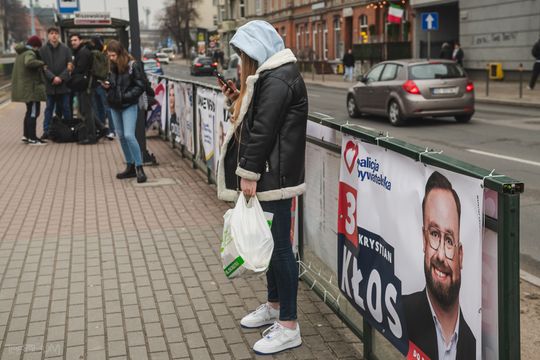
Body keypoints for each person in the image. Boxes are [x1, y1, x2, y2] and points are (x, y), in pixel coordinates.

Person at [216, 20, 308, 355]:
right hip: (272, 174)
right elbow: (259, 122)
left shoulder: (279, 77)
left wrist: (249, 172)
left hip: (274, 177)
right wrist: (239, 98)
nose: (241, 61)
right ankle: (274, 306)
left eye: (243, 55)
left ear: (255, 52)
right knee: (273, 246)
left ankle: (289, 325)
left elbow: (264, 130)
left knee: (280, 248)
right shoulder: (272, 76)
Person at [403, 171, 476, 360]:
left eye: (450, 240)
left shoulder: (476, 347)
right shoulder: (398, 314)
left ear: (460, 255)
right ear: (424, 240)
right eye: (434, 234)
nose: (441, 255)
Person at [102, 40, 147, 183]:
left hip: (128, 104)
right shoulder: (112, 66)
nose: (111, 58)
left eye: (113, 55)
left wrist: (125, 96)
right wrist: (107, 86)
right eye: (109, 56)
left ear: (120, 54)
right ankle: (130, 165)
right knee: (120, 136)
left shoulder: (133, 65)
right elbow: (113, 83)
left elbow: (140, 86)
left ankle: (139, 167)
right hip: (115, 104)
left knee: (128, 135)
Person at [69, 33, 110, 144]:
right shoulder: (86, 51)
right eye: (71, 40)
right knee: (87, 109)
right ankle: (102, 128)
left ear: (81, 41)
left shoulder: (83, 52)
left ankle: (91, 136)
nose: (72, 42)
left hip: (86, 85)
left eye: (75, 40)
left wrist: (72, 70)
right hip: (89, 84)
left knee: (86, 111)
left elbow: (80, 69)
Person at [11, 36, 47, 145]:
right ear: (36, 46)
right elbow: (29, 62)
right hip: (31, 89)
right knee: (33, 113)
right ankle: (32, 138)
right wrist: (42, 63)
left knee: (29, 112)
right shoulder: (30, 53)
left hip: (26, 88)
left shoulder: (21, 53)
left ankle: (26, 136)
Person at [39, 27, 73, 139]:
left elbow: (70, 66)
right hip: (50, 85)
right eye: (51, 33)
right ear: (48, 35)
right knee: (49, 108)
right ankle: (46, 130)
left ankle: (69, 129)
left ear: (58, 35)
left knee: (66, 108)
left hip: (64, 85)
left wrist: (61, 78)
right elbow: (43, 67)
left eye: (56, 33)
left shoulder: (66, 49)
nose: (54, 35)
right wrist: (53, 78)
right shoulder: (42, 50)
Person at [91, 36, 115, 138]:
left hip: (99, 84)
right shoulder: (103, 53)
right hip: (99, 84)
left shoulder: (96, 54)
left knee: (104, 108)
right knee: (102, 108)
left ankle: (110, 130)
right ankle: (106, 130)